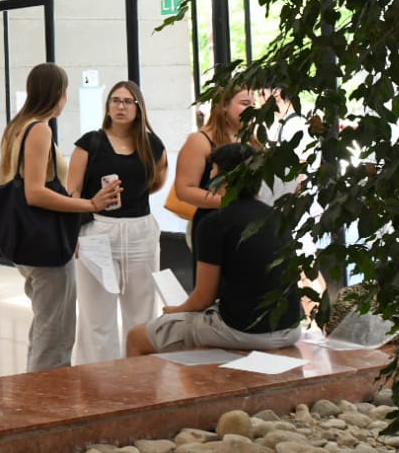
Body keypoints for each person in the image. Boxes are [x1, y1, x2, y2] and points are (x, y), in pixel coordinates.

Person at [0, 63, 121, 373]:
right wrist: (90, 204)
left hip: (25, 241)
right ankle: (47, 405)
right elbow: (34, 193)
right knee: (55, 334)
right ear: (59, 94)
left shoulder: (17, 126)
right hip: (44, 246)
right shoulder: (39, 129)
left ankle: (35, 397)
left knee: (45, 327)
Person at [127, 143, 303, 356]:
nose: (209, 174)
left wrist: (174, 310)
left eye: (213, 169)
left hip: (243, 332)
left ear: (224, 177)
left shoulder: (214, 223)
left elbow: (203, 297)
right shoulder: (275, 216)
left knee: (136, 337)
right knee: (198, 330)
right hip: (291, 328)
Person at [68, 81, 169, 363]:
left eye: (127, 101)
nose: (121, 106)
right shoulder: (90, 143)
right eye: (115, 100)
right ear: (107, 106)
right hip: (97, 231)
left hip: (140, 231)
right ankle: (98, 380)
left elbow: (156, 181)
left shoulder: (152, 144)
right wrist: (73, 233)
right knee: (96, 315)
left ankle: (138, 377)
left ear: (139, 108)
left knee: (141, 312)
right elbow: (73, 191)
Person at [171, 85, 258, 245]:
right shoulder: (200, 140)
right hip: (213, 225)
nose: (251, 110)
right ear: (224, 105)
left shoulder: (253, 139)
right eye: (245, 104)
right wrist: (230, 202)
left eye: (254, 105)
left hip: (248, 224)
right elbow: (184, 190)